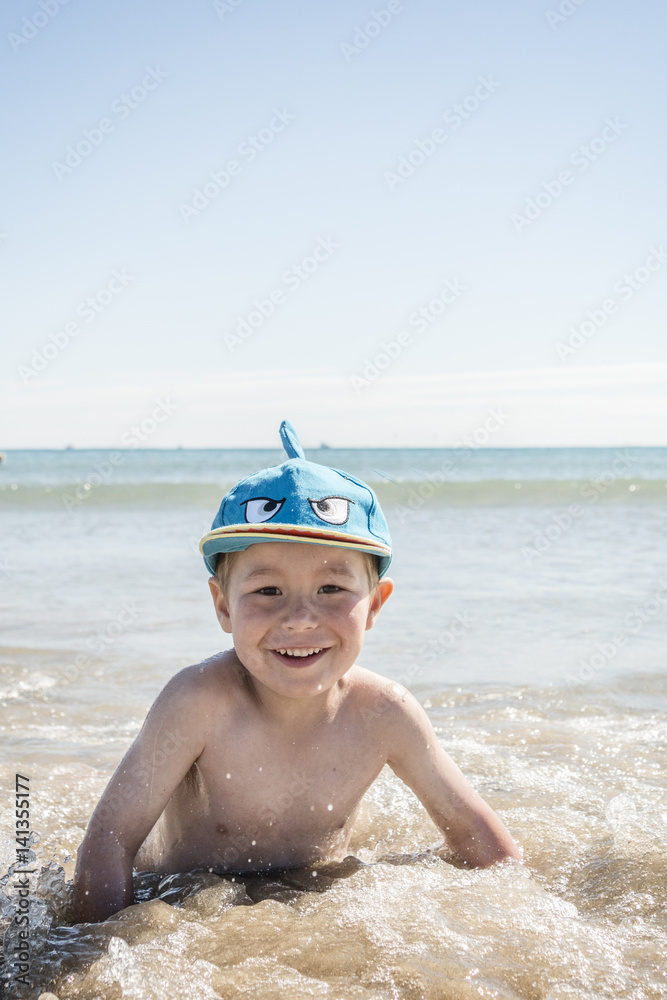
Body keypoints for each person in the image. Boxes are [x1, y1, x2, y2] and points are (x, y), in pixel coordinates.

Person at [74, 420, 520, 922]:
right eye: (268, 591)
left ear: (374, 605)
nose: (301, 618)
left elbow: (479, 839)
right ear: (223, 606)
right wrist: (93, 945)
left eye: (331, 590)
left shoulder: (384, 712)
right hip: (186, 896)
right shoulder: (198, 701)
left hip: (315, 896)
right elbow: (110, 841)